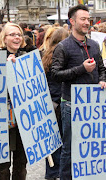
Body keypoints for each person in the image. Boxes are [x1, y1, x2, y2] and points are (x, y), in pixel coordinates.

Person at [51, 4, 106, 180]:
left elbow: (102, 68)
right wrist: (81, 69)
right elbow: (56, 74)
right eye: (82, 19)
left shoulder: (94, 45)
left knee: (91, 146)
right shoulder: (63, 47)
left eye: (88, 19)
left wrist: (103, 79)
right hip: (71, 104)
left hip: (93, 103)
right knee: (69, 148)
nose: (86, 23)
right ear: (72, 21)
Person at [0, 22, 27, 180]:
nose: (17, 37)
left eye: (19, 34)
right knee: (2, 163)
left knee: (21, 162)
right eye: (12, 34)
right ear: (4, 38)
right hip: (2, 118)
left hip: (24, 118)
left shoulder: (27, 57)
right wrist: (6, 68)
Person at [42, 27, 69, 180]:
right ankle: (60, 173)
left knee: (53, 142)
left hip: (50, 103)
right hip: (60, 101)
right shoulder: (63, 57)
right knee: (64, 140)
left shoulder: (46, 56)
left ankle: (52, 173)